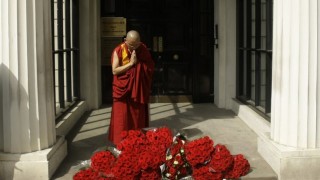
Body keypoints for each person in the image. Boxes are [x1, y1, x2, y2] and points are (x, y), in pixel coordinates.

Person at [108, 30, 155, 145]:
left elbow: (150, 68)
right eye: (130, 45)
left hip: (137, 90)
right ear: (125, 41)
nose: (133, 47)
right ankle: (121, 143)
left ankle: (138, 141)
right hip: (122, 90)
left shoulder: (143, 49)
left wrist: (139, 66)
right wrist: (131, 64)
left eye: (136, 45)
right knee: (122, 118)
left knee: (137, 117)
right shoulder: (119, 50)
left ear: (140, 43)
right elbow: (115, 70)